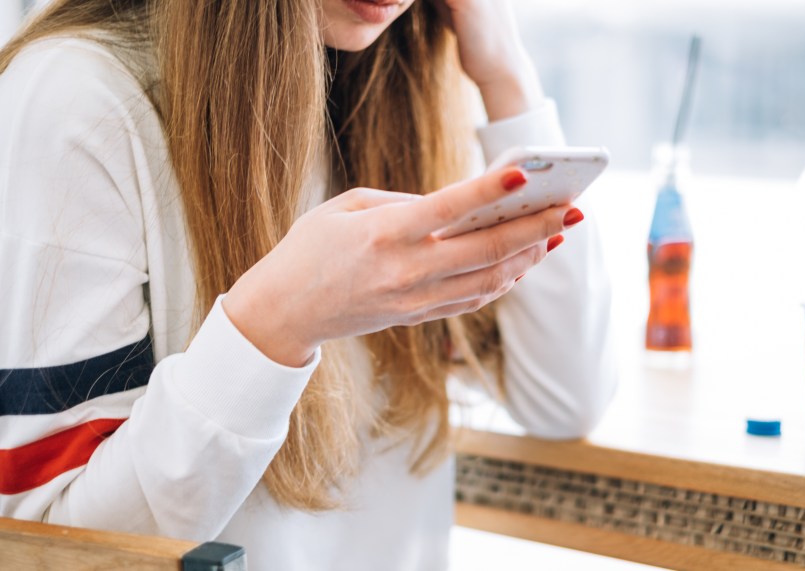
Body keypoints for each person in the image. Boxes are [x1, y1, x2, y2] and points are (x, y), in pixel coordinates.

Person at [0, 0, 615, 568]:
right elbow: (53, 549)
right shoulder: (76, 101)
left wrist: (505, 69)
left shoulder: (392, 82)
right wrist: (274, 326)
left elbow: (567, 398)